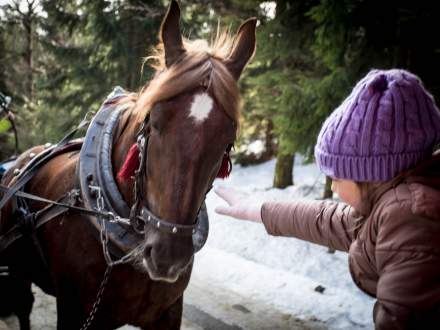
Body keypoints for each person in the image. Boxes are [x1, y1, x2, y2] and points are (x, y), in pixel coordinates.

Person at [215, 69, 440, 329]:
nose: (332, 186)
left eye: (337, 177)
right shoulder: (395, 202)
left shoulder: (412, 218)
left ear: (372, 174)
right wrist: (260, 210)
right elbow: (328, 220)